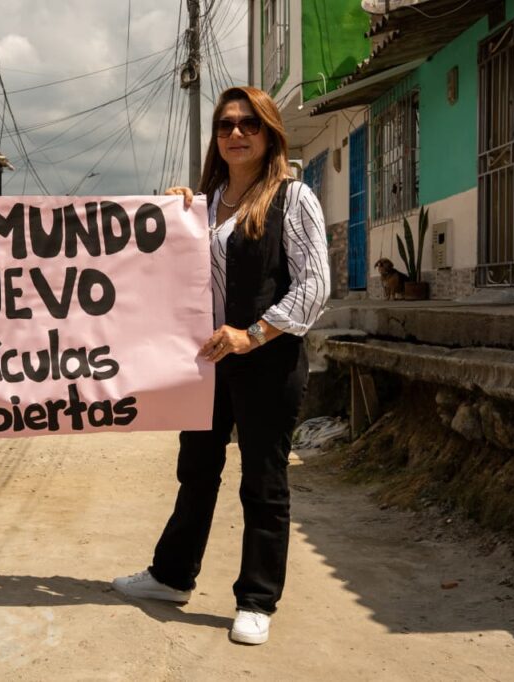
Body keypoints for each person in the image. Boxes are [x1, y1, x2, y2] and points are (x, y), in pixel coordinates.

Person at [112, 86, 330, 645]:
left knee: (263, 481)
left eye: (249, 124)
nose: (236, 133)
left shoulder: (293, 197)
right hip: (208, 367)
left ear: (270, 133)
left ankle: (257, 599)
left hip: (268, 361)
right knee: (197, 472)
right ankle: (171, 575)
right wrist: (173, 215)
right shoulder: (202, 204)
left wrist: (252, 334)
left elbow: (315, 286)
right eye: (226, 124)